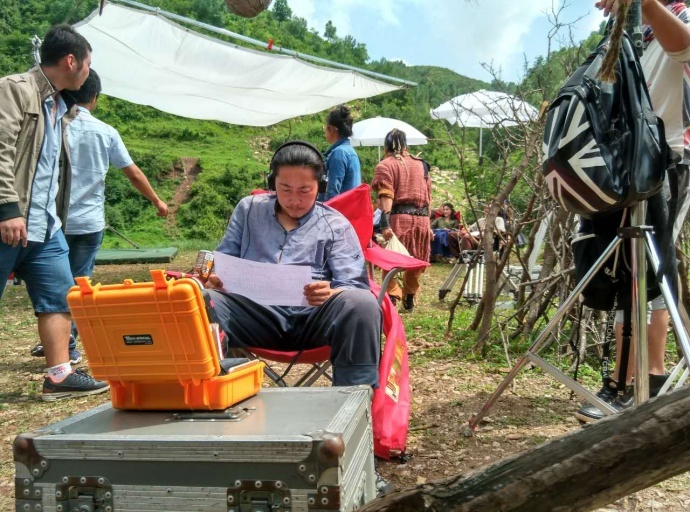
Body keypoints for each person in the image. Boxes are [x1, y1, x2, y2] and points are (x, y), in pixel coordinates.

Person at [576, 0, 690, 422]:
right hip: (622, 165)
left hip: (666, 159)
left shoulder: (676, 15)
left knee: (654, 266)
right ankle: (624, 380)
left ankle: (652, 375)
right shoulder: (626, 29)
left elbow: (685, 48)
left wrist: (646, 5)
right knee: (628, 268)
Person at [203, 141, 381, 387]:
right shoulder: (248, 210)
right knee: (199, 300)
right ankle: (214, 393)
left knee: (361, 303)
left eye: (305, 190)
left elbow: (354, 285)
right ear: (271, 183)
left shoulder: (336, 225)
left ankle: (355, 399)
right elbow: (224, 260)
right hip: (254, 318)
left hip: (312, 321)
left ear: (321, 187)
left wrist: (331, 293)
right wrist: (215, 278)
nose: (294, 200)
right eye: (285, 189)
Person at [28, 68, 169, 361]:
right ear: (94, 96)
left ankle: (57, 340)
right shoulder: (105, 132)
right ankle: (65, 344)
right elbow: (133, 173)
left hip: (50, 220)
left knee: (51, 283)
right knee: (78, 285)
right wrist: (157, 201)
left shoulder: (54, 124)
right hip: (88, 223)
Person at [0, 25, 109, 400]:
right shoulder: (14, 89)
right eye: (87, 62)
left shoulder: (61, 106)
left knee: (60, 297)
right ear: (70, 60)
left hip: (45, 226)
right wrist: (7, 207)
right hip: (9, 221)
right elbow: (1, 149)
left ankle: (59, 376)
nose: (87, 70)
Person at [372, 129, 432, 311]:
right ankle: (410, 295)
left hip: (399, 219)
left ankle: (391, 297)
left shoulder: (385, 165)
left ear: (386, 145)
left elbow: (386, 195)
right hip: (422, 220)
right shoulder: (422, 164)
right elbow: (429, 195)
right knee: (416, 259)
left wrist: (384, 222)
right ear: (406, 144)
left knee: (392, 261)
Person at [322, 105, 361, 200]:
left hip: (338, 212)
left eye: (325, 128)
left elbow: (333, 191)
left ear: (331, 129)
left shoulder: (339, 153)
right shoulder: (350, 151)